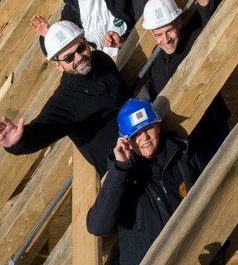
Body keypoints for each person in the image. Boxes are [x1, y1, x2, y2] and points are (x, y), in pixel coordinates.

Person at [0, 19, 129, 175]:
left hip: (144, 140)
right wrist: (19, 142)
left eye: (81, 48)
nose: (78, 58)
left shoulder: (101, 59)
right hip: (126, 171)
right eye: (68, 58)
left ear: (85, 41)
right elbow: (42, 129)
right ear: (58, 66)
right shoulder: (65, 101)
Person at [85, 99, 202, 265]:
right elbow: (98, 227)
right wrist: (120, 169)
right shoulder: (124, 176)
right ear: (126, 140)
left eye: (148, 128)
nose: (144, 137)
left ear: (157, 126)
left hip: (193, 255)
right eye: (136, 134)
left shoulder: (183, 152)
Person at [141, 0, 230, 157]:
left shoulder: (193, 40)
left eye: (169, 30)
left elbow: (216, 29)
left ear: (179, 22)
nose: (166, 39)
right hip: (185, 142)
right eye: (158, 34)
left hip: (213, 129)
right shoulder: (156, 60)